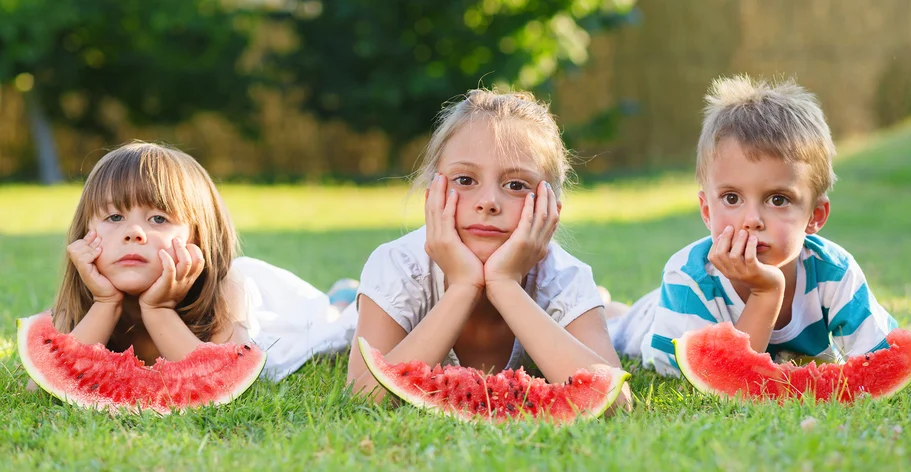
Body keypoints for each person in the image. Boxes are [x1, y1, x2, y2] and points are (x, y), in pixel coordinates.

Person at [345, 89, 629, 407]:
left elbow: (615, 400)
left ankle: (607, 304)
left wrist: (504, 284)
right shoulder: (398, 266)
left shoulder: (563, 277)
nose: (488, 203)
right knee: (336, 320)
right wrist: (464, 285)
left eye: (516, 185)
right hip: (362, 308)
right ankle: (344, 296)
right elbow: (365, 394)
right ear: (431, 199)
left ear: (550, 212)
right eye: (465, 180)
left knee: (616, 318)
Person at [605, 76, 899, 376]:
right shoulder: (687, 280)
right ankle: (607, 306)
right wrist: (765, 292)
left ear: (815, 216)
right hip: (655, 316)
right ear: (707, 211)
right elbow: (721, 381)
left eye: (778, 199)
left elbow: (880, 358)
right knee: (616, 324)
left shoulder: (834, 274)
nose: (752, 220)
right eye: (732, 198)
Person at [41, 141, 354, 385]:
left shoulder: (226, 288)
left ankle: (342, 297)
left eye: (158, 218)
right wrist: (105, 302)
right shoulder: (83, 292)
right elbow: (42, 385)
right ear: (85, 232)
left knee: (330, 325)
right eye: (114, 216)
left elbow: (224, 380)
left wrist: (158, 310)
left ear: (199, 238)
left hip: (269, 318)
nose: (134, 232)